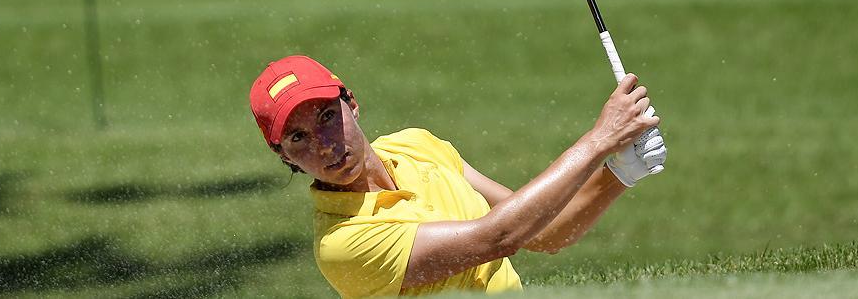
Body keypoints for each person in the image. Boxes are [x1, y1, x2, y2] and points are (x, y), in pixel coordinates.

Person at [249, 54, 666, 297]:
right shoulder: (343, 245)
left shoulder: (416, 145)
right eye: (298, 137)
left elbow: (545, 232)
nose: (323, 144)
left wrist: (621, 172)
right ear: (281, 153)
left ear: (351, 103)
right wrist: (598, 141)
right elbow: (496, 238)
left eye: (326, 117)